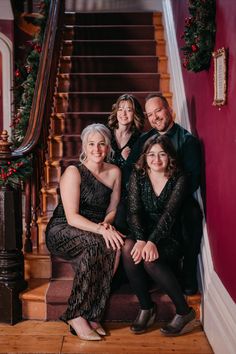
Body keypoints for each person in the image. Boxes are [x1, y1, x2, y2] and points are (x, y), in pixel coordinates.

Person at [45, 123, 124, 341]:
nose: (96, 149)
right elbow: (71, 217)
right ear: (84, 147)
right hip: (63, 229)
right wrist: (101, 229)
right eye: (91, 144)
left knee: (113, 244)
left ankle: (93, 313)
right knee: (96, 243)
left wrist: (107, 225)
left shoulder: (115, 172)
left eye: (101, 144)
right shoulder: (73, 171)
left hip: (95, 227)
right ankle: (76, 313)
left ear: (108, 147)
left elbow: (113, 207)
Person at [125, 93, 202, 295]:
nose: (154, 117)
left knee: (192, 213)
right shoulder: (144, 139)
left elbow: (192, 180)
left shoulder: (187, 141)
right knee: (124, 208)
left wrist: (167, 197)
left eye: (158, 110)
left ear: (169, 109)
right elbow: (129, 170)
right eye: (150, 114)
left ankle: (188, 273)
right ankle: (130, 270)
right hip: (147, 197)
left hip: (177, 198)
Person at [122, 135, 196, 336]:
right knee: (128, 249)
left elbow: (169, 215)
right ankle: (146, 307)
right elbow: (134, 210)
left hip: (169, 235)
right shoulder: (138, 175)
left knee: (149, 261)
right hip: (143, 232)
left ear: (169, 156)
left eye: (162, 154)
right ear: (145, 157)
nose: (156, 159)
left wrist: (152, 241)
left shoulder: (179, 177)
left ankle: (184, 311)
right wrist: (140, 239)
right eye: (151, 154)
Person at [107, 93, 145, 234]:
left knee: (122, 214)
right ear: (116, 111)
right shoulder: (106, 133)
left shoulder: (139, 139)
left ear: (135, 114)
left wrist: (130, 160)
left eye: (128, 110)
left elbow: (141, 172)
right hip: (105, 186)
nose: (123, 113)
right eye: (120, 108)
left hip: (126, 190)